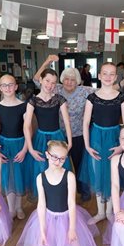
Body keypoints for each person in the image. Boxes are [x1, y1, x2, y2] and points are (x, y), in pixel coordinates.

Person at [16, 140, 100, 246]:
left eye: (62, 159)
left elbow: (72, 203)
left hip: (66, 216)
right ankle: (54, 240)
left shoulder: (69, 176)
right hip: (49, 217)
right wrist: (42, 229)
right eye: (54, 157)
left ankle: (63, 240)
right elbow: (41, 204)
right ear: (47, 155)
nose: (58, 162)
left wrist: (71, 228)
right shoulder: (40, 178)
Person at [33, 54, 95, 201]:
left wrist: (123, 82)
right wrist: (47, 61)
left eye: (73, 80)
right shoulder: (55, 88)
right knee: (59, 164)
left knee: (80, 164)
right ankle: (61, 192)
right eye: (66, 78)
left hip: (78, 134)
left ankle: (83, 190)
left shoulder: (85, 91)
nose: (69, 82)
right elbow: (37, 79)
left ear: (77, 81)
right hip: (58, 135)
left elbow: (105, 91)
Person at [79, 62, 124, 225]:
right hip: (96, 138)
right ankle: (100, 212)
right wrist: (87, 146)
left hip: (115, 138)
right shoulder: (92, 97)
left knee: (112, 174)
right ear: (99, 76)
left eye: (111, 74)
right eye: (105, 73)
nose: (108, 77)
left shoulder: (122, 97)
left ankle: (109, 211)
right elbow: (86, 122)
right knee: (98, 173)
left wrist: (122, 146)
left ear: (116, 77)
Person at [23, 68, 72, 199]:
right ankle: (44, 202)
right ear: (40, 80)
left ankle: (58, 199)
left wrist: (70, 142)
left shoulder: (59, 99)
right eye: (47, 81)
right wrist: (31, 148)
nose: (50, 85)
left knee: (59, 169)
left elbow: (67, 122)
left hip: (57, 138)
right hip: (40, 139)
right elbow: (26, 125)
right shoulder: (33, 101)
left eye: (53, 83)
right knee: (41, 169)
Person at [0, 75, 28, 220]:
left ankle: (19, 207)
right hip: (4, 145)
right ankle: (11, 208)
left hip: (20, 144)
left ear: (16, 86)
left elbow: (28, 130)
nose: (8, 88)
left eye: (10, 85)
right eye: (4, 85)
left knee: (20, 175)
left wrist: (25, 149)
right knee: (9, 177)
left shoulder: (24, 106)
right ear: (0, 88)